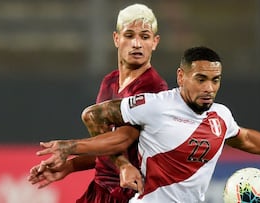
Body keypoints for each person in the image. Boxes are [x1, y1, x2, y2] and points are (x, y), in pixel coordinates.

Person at [34, 46, 260, 203]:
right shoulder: (155, 106)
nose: (209, 88)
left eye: (215, 80)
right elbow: (94, 116)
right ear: (181, 77)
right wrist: (109, 160)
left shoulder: (221, 116)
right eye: (200, 79)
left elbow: (246, 138)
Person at [28, 3, 168, 203]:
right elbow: (105, 144)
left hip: (131, 192)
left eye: (144, 37)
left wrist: (69, 147)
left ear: (155, 42)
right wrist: (71, 166)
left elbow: (122, 139)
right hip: (101, 189)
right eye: (129, 35)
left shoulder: (153, 87)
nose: (137, 43)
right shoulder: (110, 81)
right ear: (116, 38)